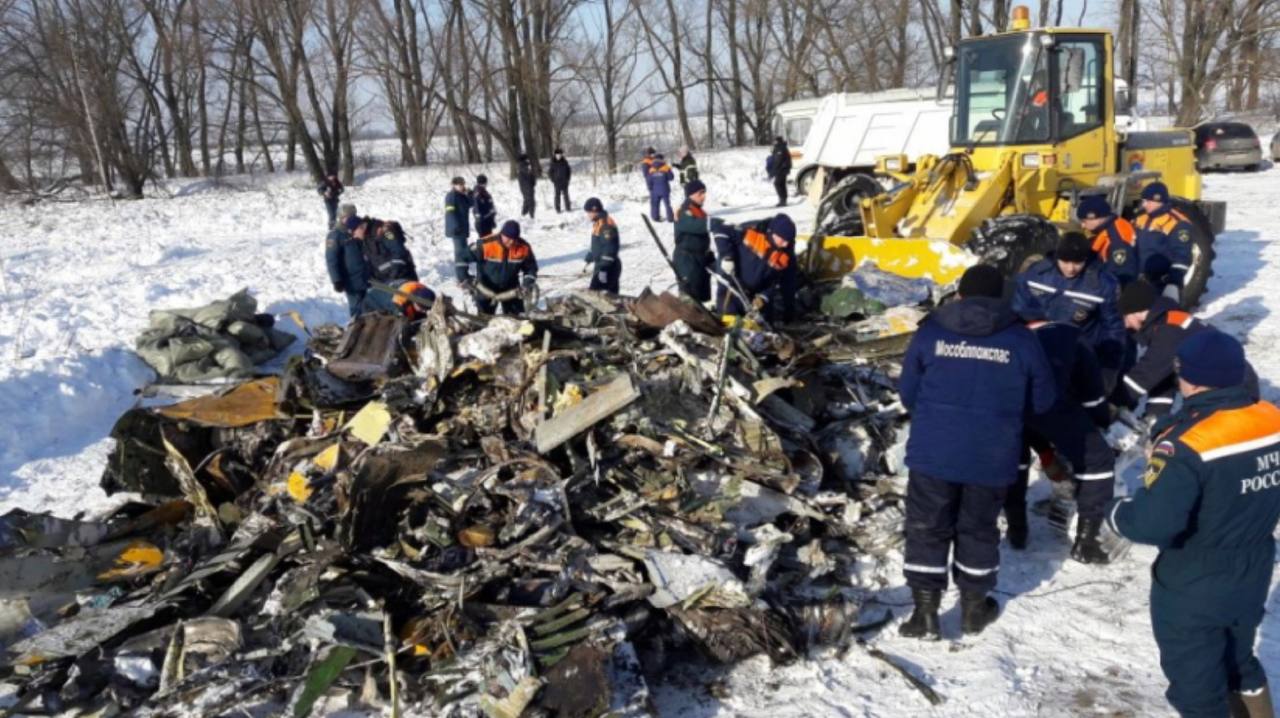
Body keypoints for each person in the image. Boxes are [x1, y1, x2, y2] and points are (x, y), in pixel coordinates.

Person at [1107, 330, 1280, 717]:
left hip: (1196, 576)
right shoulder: (1271, 419)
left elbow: (1153, 523)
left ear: (1194, 380)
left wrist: (1115, 512)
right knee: (1239, 660)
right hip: (1254, 564)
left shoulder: (1185, 446)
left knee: (1196, 687)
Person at [897, 264, 1057, 640]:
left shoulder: (931, 331)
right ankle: (972, 610)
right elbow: (1043, 400)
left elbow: (908, 392)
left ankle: (925, 613)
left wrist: (936, 417)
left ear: (960, 295)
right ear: (1000, 296)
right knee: (978, 528)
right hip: (992, 454)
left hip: (934, 451)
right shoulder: (1021, 338)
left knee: (927, 527)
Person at [1004, 319, 1116, 563]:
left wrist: (1045, 451)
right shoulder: (1074, 336)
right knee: (1098, 460)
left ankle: (1017, 530)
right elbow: (1092, 393)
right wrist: (1099, 423)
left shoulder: (1010, 333)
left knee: (1015, 460)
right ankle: (1086, 542)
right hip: (1048, 402)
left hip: (1007, 402)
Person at [1114, 280, 1259, 422]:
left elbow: (1142, 377)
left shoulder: (1170, 332)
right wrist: (1154, 417)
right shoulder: (1167, 322)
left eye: (1124, 317)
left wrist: (1110, 405)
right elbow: (1163, 378)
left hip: (1233, 394)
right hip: (1227, 388)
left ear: (1138, 312)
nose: (1125, 325)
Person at [1013, 231, 1126, 387]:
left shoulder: (1103, 284)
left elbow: (1113, 328)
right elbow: (1017, 309)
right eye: (1065, 261)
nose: (1071, 268)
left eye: (1078, 263)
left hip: (1079, 357)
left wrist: (1109, 369)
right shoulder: (1036, 274)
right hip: (1038, 350)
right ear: (1056, 257)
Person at [712, 214, 799, 322]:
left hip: (756, 296)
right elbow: (721, 230)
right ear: (773, 233)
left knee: (762, 328)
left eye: (788, 241)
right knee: (729, 322)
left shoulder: (786, 254)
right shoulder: (752, 231)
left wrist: (764, 297)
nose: (785, 244)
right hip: (732, 286)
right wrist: (727, 257)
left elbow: (778, 281)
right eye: (783, 239)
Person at [1133, 181, 1195, 299]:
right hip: (1140, 281)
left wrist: (1173, 283)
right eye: (1143, 201)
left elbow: (1182, 256)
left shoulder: (1178, 223)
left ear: (1158, 201)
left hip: (1162, 283)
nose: (1144, 205)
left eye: (1148, 201)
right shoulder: (1141, 219)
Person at [463, 220, 538, 316]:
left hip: (511, 289)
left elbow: (531, 268)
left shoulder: (524, 247)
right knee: (484, 318)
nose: (511, 242)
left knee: (516, 319)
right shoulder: (485, 244)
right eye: (508, 238)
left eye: (514, 239)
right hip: (486, 288)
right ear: (502, 234)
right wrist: (463, 276)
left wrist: (527, 284)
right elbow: (463, 257)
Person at [1077, 195, 1139, 286]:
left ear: (1096, 218)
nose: (1082, 226)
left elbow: (1121, 275)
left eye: (1084, 221)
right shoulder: (1113, 225)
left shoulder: (1116, 240)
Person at [672, 179, 713, 302]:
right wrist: (715, 224)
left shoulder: (699, 211)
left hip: (700, 258)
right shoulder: (683, 211)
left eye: (704, 192)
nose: (704, 196)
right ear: (691, 194)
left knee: (701, 297)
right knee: (690, 299)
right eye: (700, 193)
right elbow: (697, 226)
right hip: (687, 260)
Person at [325, 211, 371, 318]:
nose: (351, 219)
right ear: (342, 218)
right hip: (351, 281)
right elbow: (331, 259)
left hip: (365, 277)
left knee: (369, 309)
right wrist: (336, 280)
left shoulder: (356, 229)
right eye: (348, 216)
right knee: (357, 310)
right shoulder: (335, 235)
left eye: (353, 215)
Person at [582, 197, 621, 294]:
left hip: (608, 267)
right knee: (610, 296)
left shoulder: (606, 225)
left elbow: (610, 248)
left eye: (589, 212)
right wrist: (590, 256)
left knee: (595, 295)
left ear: (594, 210)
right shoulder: (598, 223)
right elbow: (599, 245)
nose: (588, 215)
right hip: (603, 265)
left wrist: (603, 270)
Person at [362, 280, 436, 321]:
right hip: (370, 306)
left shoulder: (423, 291)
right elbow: (401, 323)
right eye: (422, 309)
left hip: (386, 293)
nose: (424, 311)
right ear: (415, 302)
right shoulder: (398, 303)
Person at [445, 176, 473, 281]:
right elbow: (450, 212)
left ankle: (465, 273)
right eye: (460, 184)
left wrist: (470, 193)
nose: (462, 186)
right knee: (460, 253)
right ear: (454, 185)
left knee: (464, 252)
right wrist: (455, 226)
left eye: (463, 184)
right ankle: (461, 277)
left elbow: (471, 203)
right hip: (456, 229)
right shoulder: (451, 196)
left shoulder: (462, 196)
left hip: (462, 228)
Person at [647, 153, 674, 222]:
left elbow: (649, 180)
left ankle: (655, 217)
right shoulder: (666, 167)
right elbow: (671, 178)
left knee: (655, 204)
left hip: (655, 190)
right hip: (665, 189)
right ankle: (670, 218)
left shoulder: (651, 169)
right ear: (662, 159)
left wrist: (650, 188)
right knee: (667, 204)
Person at [769, 136, 792, 207]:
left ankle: (782, 200)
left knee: (777, 184)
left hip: (781, 170)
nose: (774, 142)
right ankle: (783, 200)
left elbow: (778, 161)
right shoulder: (779, 148)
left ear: (778, 141)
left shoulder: (781, 148)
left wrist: (773, 171)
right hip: (782, 170)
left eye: (775, 141)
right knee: (782, 184)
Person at [549, 148, 572, 213]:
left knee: (566, 195)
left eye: (559, 154)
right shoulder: (553, 162)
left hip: (564, 181)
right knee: (557, 196)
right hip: (557, 182)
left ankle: (568, 207)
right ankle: (558, 208)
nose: (558, 156)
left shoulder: (565, 162)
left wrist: (568, 178)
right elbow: (550, 172)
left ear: (561, 155)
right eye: (557, 154)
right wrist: (553, 179)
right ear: (555, 155)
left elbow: (568, 171)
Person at [517, 154, 536, 219]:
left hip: (526, 186)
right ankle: (531, 216)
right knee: (531, 201)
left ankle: (524, 214)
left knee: (527, 200)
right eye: (527, 159)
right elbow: (529, 175)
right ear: (524, 160)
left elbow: (531, 175)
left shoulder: (524, 166)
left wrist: (533, 182)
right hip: (527, 187)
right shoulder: (524, 166)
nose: (528, 160)